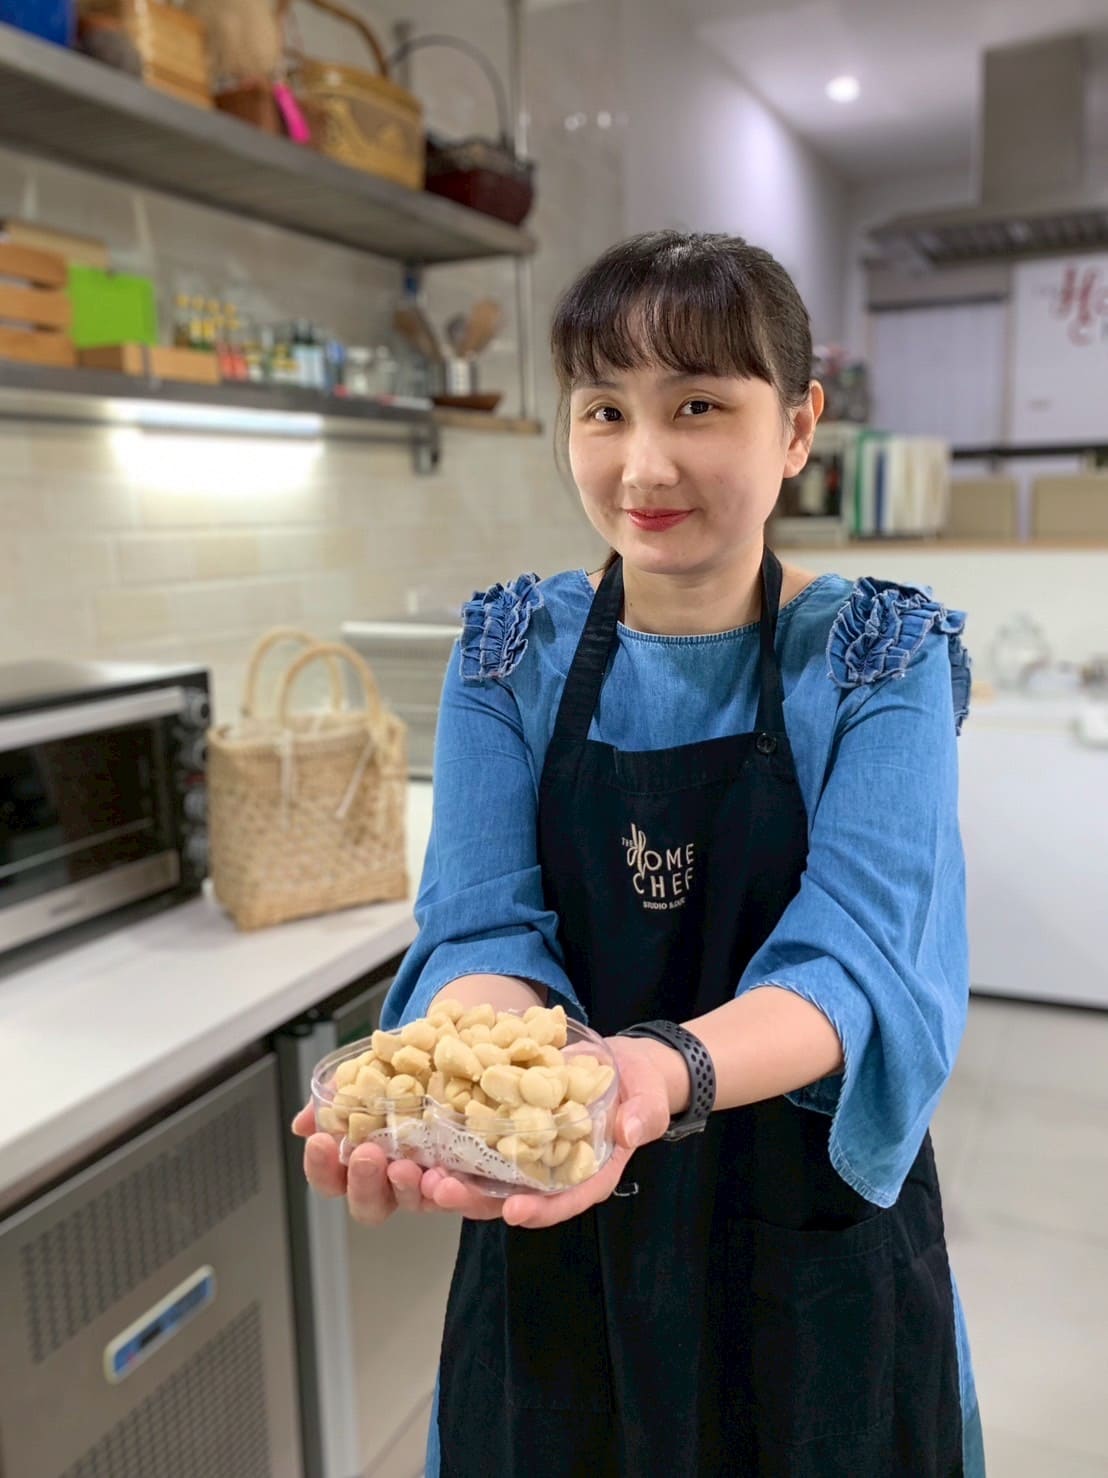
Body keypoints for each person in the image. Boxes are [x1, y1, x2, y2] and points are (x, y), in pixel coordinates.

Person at [294, 231, 985, 1477]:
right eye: (604, 408)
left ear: (796, 426)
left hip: (806, 1225)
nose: (644, 462)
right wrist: (469, 1077)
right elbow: (481, 925)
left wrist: (654, 1072)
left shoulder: (879, 656)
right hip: (558, 1204)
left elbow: (862, 954)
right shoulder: (508, 651)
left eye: (698, 404)